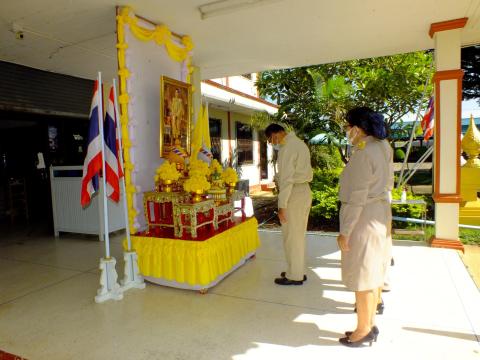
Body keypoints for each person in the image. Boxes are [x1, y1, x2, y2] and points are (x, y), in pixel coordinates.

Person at [336, 107, 393, 347]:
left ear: (357, 129)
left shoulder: (363, 153)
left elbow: (357, 197)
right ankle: (369, 324)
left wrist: (345, 231)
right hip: (379, 213)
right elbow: (388, 182)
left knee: (362, 276)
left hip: (363, 218)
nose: (347, 132)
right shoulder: (383, 146)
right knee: (372, 273)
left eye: (348, 127)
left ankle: (363, 329)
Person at [265, 124, 313, 286]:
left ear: (277, 133)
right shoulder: (298, 143)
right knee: (298, 235)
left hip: (294, 194)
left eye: (272, 139)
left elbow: (287, 180)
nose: (273, 143)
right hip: (303, 191)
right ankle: (298, 270)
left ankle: (294, 275)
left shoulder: (288, 148)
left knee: (292, 237)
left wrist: (282, 206)